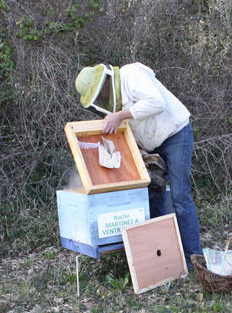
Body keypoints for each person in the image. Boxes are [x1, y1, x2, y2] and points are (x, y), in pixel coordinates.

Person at [74, 62, 202, 263]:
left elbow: (156, 102)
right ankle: (162, 256)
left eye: (100, 94)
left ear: (106, 81)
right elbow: (133, 128)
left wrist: (120, 116)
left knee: (180, 196)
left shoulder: (130, 74)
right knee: (151, 194)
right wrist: (138, 149)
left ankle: (195, 259)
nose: (102, 99)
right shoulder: (114, 107)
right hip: (152, 145)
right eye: (97, 99)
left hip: (176, 134)